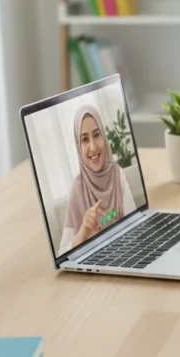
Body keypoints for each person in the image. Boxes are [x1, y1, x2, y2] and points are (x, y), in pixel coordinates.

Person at [59, 105, 136, 255]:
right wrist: (84, 231)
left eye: (96, 135)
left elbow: (135, 225)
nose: (93, 147)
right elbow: (62, 253)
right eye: (85, 139)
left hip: (125, 254)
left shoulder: (117, 173)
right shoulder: (77, 188)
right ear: (78, 147)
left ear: (104, 137)